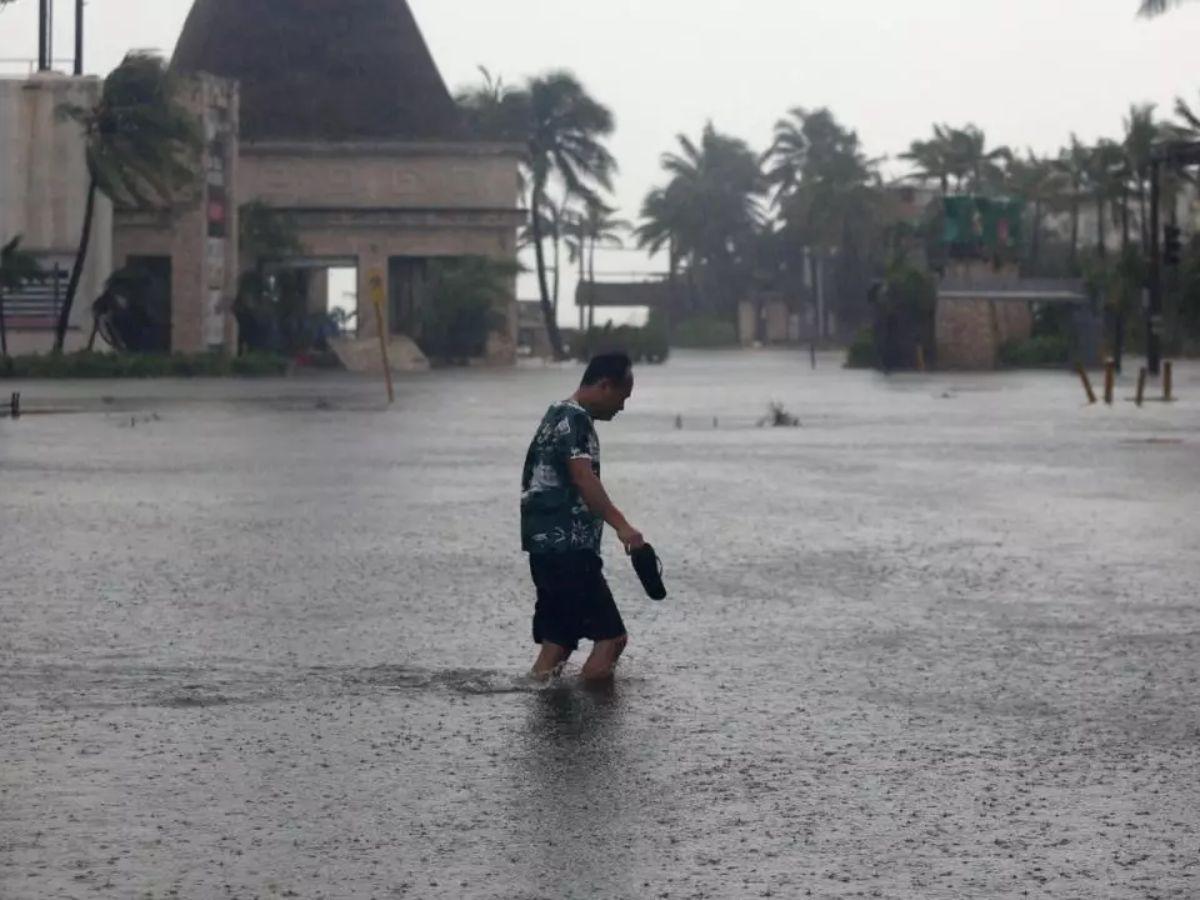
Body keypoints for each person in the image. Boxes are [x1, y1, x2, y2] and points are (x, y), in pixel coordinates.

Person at [520, 352, 646, 681]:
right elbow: (583, 477)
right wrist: (623, 527)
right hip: (570, 551)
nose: (622, 407)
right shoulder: (576, 420)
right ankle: (593, 727)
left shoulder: (555, 414)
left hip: (544, 550)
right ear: (605, 386)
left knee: (558, 643)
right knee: (612, 639)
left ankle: (547, 716)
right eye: (622, 397)